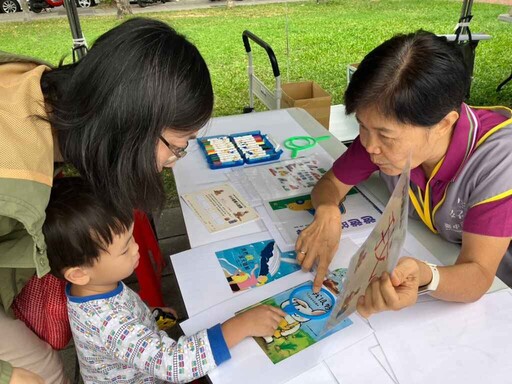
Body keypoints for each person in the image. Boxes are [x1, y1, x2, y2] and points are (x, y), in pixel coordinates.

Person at [0, 18, 215, 383]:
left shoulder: (49, 98)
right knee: (42, 373)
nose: (168, 163)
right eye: (176, 147)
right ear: (130, 125)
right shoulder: (10, 172)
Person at [295, 31, 512, 318]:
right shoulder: (382, 130)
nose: (369, 146)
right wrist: (327, 210)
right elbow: (332, 183)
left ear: (444, 124)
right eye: (362, 126)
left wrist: (427, 276)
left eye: (385, 135)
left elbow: (479, 275)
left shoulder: (499, 161)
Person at [42, 177, 285, 383]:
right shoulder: (108, 323)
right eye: (125, 249)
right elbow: (174, 364)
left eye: (132, 238)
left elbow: (124, 312)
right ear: (78, 273)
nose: (137, 248)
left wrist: (150, 315)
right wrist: (240, 325)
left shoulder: (93, 284)